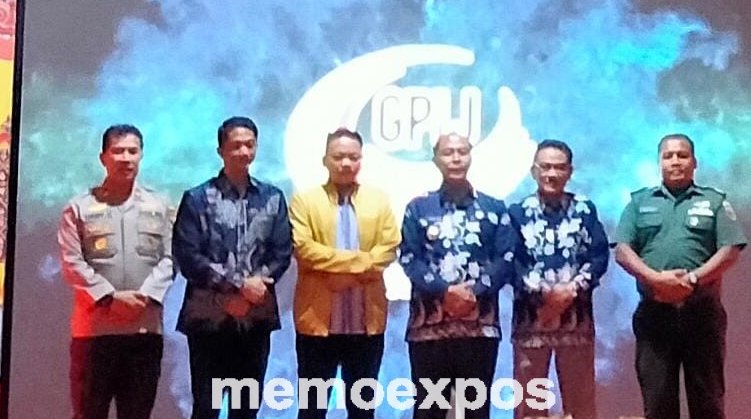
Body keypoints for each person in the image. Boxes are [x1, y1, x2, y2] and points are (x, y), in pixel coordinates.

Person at [613, 134, 748, 419]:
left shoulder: (714, 201)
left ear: (694, 162)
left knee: (708, 402)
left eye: (682, 155)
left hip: (701, 314)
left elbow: (730, 249)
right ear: (659, 162)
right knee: (657, 402)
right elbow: (623, 251)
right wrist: (656, 279)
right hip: (655, 316)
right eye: (668, 156)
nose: (675, 161)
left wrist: (692, 280)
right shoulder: (639, 203)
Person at [172, 116, 292, 419]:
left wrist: (254, 289)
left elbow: (281, 252)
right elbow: (188, 256)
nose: (243, 152)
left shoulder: (273, 198)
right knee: (206, 408)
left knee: (246, 408)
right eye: (236, 145)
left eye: (250, 145)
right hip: (208, 318)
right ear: (221, 150)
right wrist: (237, 286)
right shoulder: (197, 199)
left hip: (255, 318)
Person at [58, 124, 174, 419]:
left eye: (132, 151)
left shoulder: (160, 206)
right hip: (94, 335)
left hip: (144, 332)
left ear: (141, 155)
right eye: (118, 151)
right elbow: (72, 263)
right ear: (103, 157)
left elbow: (171, 258)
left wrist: (145, 297)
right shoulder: (79, 208)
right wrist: (110, 298)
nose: (125, 158)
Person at [399, 132, 516, 419]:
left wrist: (473, 292)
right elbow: (409, 257)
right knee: (429, 412)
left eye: (462, 152)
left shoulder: (494, 208)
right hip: (429, 330)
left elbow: (505, 258)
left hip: (479, 328)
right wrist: (445, 291)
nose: (455, 158)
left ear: (470, 156)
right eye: (448, 152)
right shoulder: (418, 208)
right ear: (435, 159)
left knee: (475, 412)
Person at [289, 128, 400, 419]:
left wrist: (344, 272)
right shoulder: (305, 201)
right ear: (325, 160)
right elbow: (304, 249)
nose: (346, 163)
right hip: (317, 324)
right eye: (338, 157)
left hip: (366, 325)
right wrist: (361, 263)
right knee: (311, 410)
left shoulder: (378, 200)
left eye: (353, 157)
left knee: (362, 411)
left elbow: (389, 248)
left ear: (362, 159)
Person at [509, 140, 608, 419]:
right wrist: (544, 295)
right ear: (534, 171)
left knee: (581, 407)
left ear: (570, 172)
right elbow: (511, 262)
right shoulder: (517, 213)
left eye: (559, 167)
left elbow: (599, 256)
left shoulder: (585, 210)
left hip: (576, 324)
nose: (551, 174)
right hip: (531, 324)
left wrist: (572, 290)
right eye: (545, 167)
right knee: (530, 407)